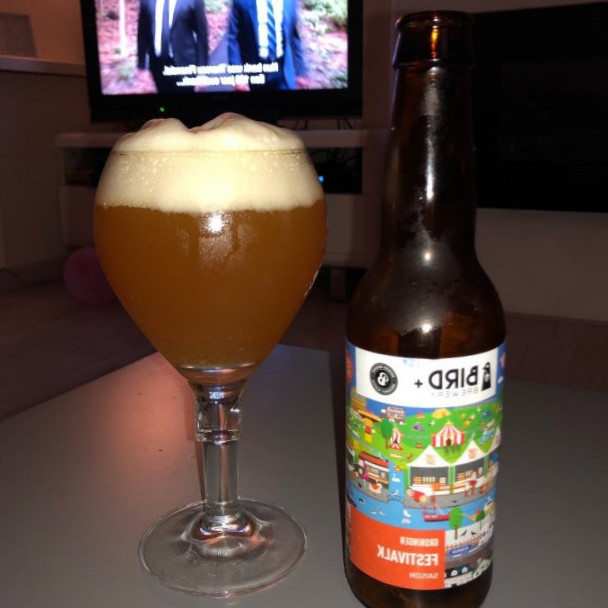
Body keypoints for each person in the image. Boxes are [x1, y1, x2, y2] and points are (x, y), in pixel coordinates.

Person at [228, 0, 308, 90]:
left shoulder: (290, 2)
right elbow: (233, 39)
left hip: (283, 72)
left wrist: (301, 71)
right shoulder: (242, 2)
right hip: (254, 72)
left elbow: (293, 36)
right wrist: (237, 75)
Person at [138, 0, 209, 93]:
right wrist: (142, 65)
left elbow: (202, 35)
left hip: (185, 66)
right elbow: (142, 33)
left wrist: (202, 72)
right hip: (158, 66)